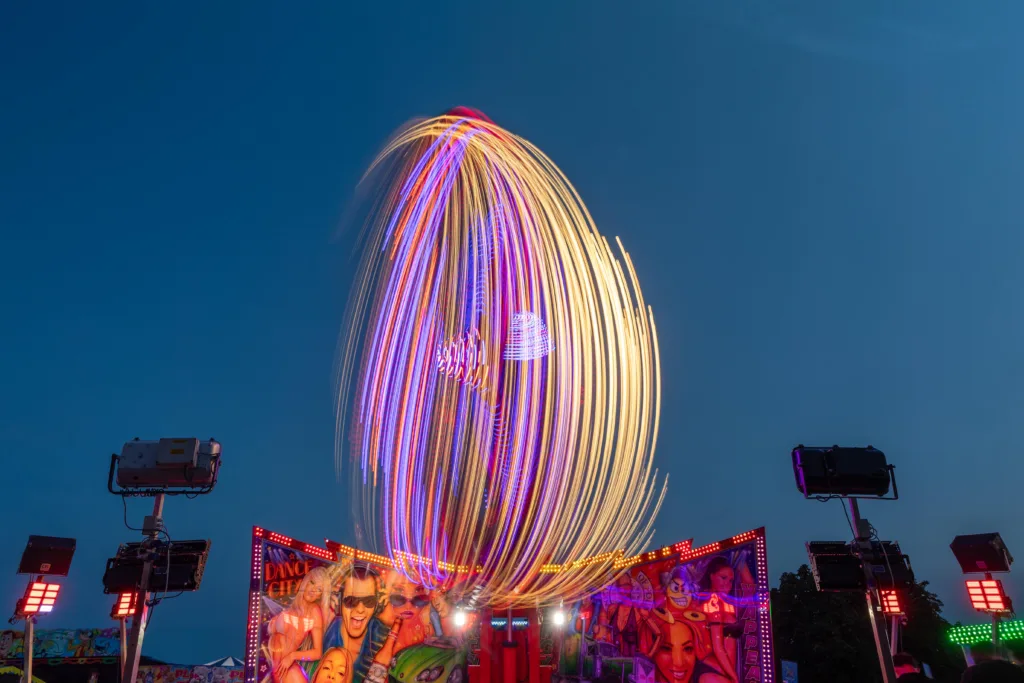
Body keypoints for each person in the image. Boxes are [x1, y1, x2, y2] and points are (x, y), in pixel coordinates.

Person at [322, 563, 386, 683]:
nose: (360, 609)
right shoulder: (326, 632)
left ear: (377, 605)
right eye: (351, 601)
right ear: (339, 602)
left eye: (369, 601)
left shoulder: (382, 635)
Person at [268, 566, 332, 683]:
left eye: (319, 589)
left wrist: (292, 656)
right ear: (306, 581)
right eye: (312, 583)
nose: (313, 590)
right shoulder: (289, 606)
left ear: (321, 595)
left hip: (287, 667)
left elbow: (317, 653)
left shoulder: (314, 611)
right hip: (276, 665)